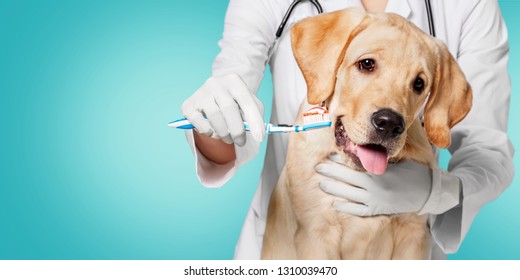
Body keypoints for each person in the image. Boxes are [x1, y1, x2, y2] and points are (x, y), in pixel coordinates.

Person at [180, 0, 514, 259]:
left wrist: (435, 191)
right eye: (367, 64)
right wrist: (216, 119)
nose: (389, 115)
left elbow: (488, 151)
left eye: (417, 84)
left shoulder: (471, 6)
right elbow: (235, 116)